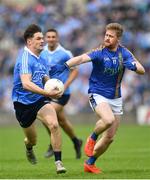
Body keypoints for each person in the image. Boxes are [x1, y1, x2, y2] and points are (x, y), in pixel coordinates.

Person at [50, 23, 145, 174]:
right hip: (97, 94)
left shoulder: (124, 53)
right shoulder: (99, 52)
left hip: (116, 98)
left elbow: (142, 69)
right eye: (106, 35)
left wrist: (133, 66)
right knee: (108, 120)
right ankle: (92, 138)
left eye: (110, 36)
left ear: (118, 38)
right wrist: (65, 65)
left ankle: (90, 163)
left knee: (110, 137)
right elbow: (81, 58)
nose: (107, 38)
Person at [12, 24, 66, 174]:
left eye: (43, 38)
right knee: (32, 140)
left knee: (54, 125)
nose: (43, 41)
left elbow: (44, 76)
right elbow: (26, 83)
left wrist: (53, 87)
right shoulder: (24, 59)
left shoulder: (41, 57)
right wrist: (46, 92)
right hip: (22, 103)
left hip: (39, 100)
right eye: (39, 38)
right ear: (29, 42)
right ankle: (29, 148)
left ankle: (58, 162)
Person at [40, 28, 82, 159]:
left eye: (53, 37)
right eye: (49, 37)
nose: (51, 39)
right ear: (45, 38)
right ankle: (76, 141)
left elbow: (75, 71)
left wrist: (65, 85)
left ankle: (53, 144)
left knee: (46, 115)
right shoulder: (42, 53)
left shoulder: (65, 53)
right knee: (62, 121)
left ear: (57, 38)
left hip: (61, 94)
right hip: (47, 91)